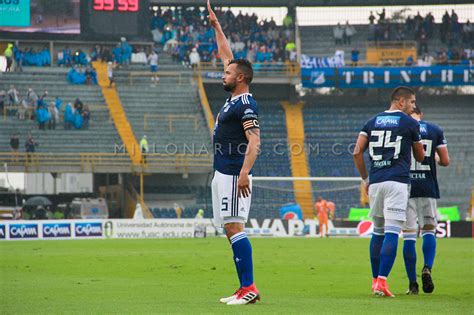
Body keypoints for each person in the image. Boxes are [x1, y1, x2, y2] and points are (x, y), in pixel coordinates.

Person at [208, 1, 261, 305]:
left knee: (234, 227)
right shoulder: (233, 99)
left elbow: (254, 141)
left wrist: (242, 173)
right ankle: (243, 288)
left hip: (232, 173)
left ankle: (250, 288)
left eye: (228, 73)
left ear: (239, 78)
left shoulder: (246, 105)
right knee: (229, 230)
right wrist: (217, 26)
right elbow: (227, 54)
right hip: (222, 172)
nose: (223, 74)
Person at [353, 86, 425, 297]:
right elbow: (420, 157)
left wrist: (366, 179)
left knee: (378, 232)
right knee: (393, 232)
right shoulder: (410, 123)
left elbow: (357, 152)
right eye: (412, 102)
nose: (413, 107)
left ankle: (375, 280)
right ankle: (382, 283)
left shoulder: (371, 121)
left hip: (375, 182)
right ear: (401, 102)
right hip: (397, 182)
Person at [402, 106, 449, 295]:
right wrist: (435, 158)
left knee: (409, 237)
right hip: (428, 187)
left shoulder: (403, 129)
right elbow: (445, 161)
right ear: (421, 115)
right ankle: (427, 267)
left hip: (405, 189)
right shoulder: (435, 130)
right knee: (429, 232)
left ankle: (413, 284)